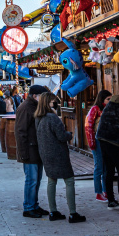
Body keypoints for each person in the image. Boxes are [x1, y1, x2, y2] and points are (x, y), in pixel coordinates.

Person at [35, 92, 86, 223]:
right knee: (69, 181)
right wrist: (69, 134)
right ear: (48, 103)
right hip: (58, 153)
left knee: (51, 181)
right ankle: (73, 213)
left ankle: (53, 211)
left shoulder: (38, 118)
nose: (55, 103)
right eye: (54, 101)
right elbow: (62, 136)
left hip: (45, 153)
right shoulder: (53, 118)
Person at [15, 85, 49, 218]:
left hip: (36, 149)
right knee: (31, 180)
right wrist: (23, 153)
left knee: (37, 179)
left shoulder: (35, 106)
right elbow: (20, 131)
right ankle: (28, 207)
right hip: (29, 150)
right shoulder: (25, 108)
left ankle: (34, 205)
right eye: (43, 96)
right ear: (35, 96)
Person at [85, 90, 111, 202]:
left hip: (105, 141)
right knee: (99, 167)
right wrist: (91, 142)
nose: (110, 101)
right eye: (108, 99)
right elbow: (88, 126)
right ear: (102, 99)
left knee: (105, 167)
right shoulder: (95, 109)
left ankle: (106, 191)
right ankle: (98, 192)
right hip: (98, 140)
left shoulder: (107, 109)